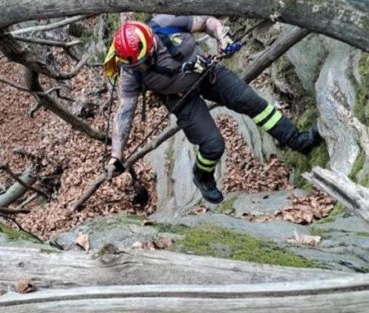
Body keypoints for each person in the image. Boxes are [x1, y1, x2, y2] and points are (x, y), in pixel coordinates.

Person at [102, 15, 321, 204]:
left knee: (252, 103)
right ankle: (202, 175)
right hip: (180, 98)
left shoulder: (165, 23)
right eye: (134, 66)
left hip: (208, 74)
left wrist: (222, 36)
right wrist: (116, 156)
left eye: (142, 63)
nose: (140, 68)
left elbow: (207, 22)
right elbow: (124, 112)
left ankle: (298, 141)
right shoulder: (131, 73)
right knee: (213, 145)